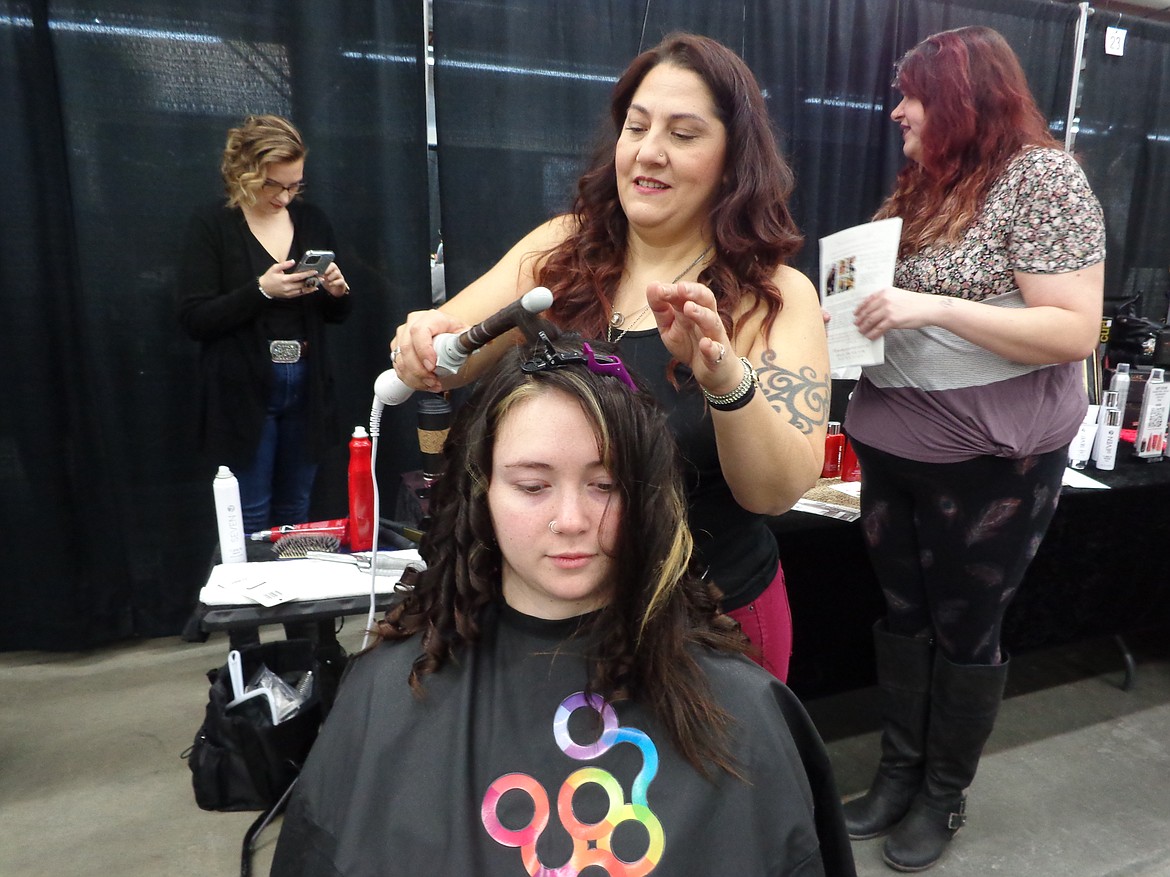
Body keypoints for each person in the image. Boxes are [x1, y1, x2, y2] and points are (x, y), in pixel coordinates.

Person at [270, 329, 856, 877]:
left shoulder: (744, 708)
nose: (571, 521)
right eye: (532, 486)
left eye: (604, 485)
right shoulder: (383, 695)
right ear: (482, 493)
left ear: (646, 497)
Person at [390, 33, 830, 682]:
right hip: (558, 616)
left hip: (710, 625)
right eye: (637, 127)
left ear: (733, 160)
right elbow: (450, 358)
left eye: (683, 134)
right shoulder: (562, 252)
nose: (649, 152)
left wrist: (725, 378)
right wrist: (422, 341)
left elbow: (774, 491)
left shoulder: (773, 296)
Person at [839, 27, 1105, 872]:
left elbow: (1069, 328)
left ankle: (941, 794)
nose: (896, 110)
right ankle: (897, 773)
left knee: (964, 628)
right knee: (905, 615)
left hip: (992, 461)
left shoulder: (1043, 179)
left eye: (911, 93)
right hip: (894, 446)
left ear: (959, 97)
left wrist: (934, 310)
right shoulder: (922, 187)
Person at [177, 113, 352, 539]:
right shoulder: (213, 224)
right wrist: (261, 290)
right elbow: (194, 318)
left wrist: (337, 290)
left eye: (295, 185)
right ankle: (255, 602)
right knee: (249, 517)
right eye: (274, 185)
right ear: (245, 172)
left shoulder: (311, 220)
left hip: (307, 384)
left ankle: (294, 602)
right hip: (244, 387)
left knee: (298, 515)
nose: (286, 197)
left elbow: (339, 316)